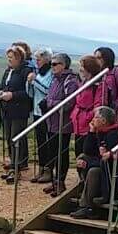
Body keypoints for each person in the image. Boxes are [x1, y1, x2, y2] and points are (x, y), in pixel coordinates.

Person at [73, 106, 118, 217]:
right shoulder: (100, 132)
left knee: (93, 171)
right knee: (82, 157)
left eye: (95, 117)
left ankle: (88, 206)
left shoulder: (114, 135)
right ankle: (85, 198)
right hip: (101, 165)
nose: (92, 120)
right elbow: (88, 151)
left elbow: (107, 160)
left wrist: (88, 163)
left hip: (109, 171)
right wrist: (91, 132)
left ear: (103, 121)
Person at [42, 53, 80, 195]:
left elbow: (69, 102)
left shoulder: (70, 81)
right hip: (51, 122)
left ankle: (61, 182)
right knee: (52, 152)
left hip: (63, 124)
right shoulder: (55, 80)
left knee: (61, 154)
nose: (52, 67)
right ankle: (54, 181)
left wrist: (50, 103)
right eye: (51, 64)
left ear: (63, 65)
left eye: (54, 64)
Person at [69, 54, 108, 182]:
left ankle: (87, 180)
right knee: (78, 152)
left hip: (88, 125)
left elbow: (98, 105)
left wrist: (88, 118)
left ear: (89, 69)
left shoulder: (98, 86)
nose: (80, 69)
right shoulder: (83, 83)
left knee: (87, 153)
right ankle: (81, 178)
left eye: (82, 66)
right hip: (78, 123)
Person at [0, 46, 33, 183]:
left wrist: (12, 95)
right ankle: (13, 163)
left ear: (19, 58)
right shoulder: (8, 71)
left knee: (16, 137)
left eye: (11, 57)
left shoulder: (26, 71)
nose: (9, 60)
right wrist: (1, 93)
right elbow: (4, 85)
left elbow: (28, 93)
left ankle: (17, 167)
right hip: (7, 109)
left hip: (19, 110)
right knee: (8, 137)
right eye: (8, 57)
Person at [28, 49, 56, 182]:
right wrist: (29, 83)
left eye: (38, 59)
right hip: (36, 111)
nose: (36, 62)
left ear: (46, 59)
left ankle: (48, 169)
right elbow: (31, 93)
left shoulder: (51, 73)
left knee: (48, 142)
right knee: (40, 142)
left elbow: (48, 91)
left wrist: (35, 82)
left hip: (46, 112)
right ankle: (41, 167)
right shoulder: (39, 72)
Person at [95, 47, 118, 119]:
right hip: (98, 111)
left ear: (107, 58)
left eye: (99, 58)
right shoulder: (97, 74)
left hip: (112, 112)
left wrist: (117, 111)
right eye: (95, 58)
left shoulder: (117, 73)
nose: (96, 61)